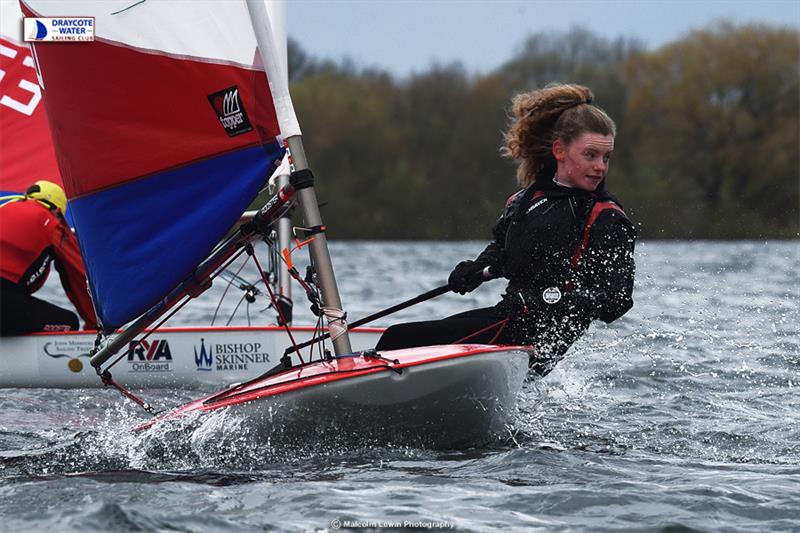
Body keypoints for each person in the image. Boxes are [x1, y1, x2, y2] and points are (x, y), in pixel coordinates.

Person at [375, 84, 636, 376]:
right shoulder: (525, 201)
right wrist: (476, 269)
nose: (600, 167)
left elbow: (617, 299)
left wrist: (553, 298)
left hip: (533, 332)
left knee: (397, 340)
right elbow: (503, 251)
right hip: (510, 319)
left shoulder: (606, 217)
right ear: (559, 150)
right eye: (590, 155)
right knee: (395, 339)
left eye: (606, 158)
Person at [0, 180, 98, 335]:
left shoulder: (5, 209)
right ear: (57, 211)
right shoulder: (51, 224)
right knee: (69, 322)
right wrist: (97, 324)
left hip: (7, 302)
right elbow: (79, 277)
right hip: (5, 303)